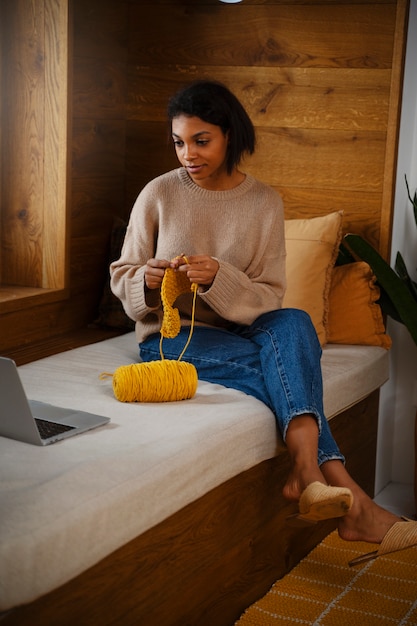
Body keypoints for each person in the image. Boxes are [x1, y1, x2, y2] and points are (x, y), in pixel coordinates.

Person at [110, 79, 416, 565]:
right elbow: (123, 278)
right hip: (172, 340)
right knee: (282, 371)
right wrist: (147, 281)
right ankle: (337, 488)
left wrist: (219, 279)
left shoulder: (264, 202)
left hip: (244, 327)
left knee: (293, 321)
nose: (187, 153)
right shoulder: (159, 193)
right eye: (178, 141)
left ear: (230, 134)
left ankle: (308, 476)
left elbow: (269, 297)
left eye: (200, 140)